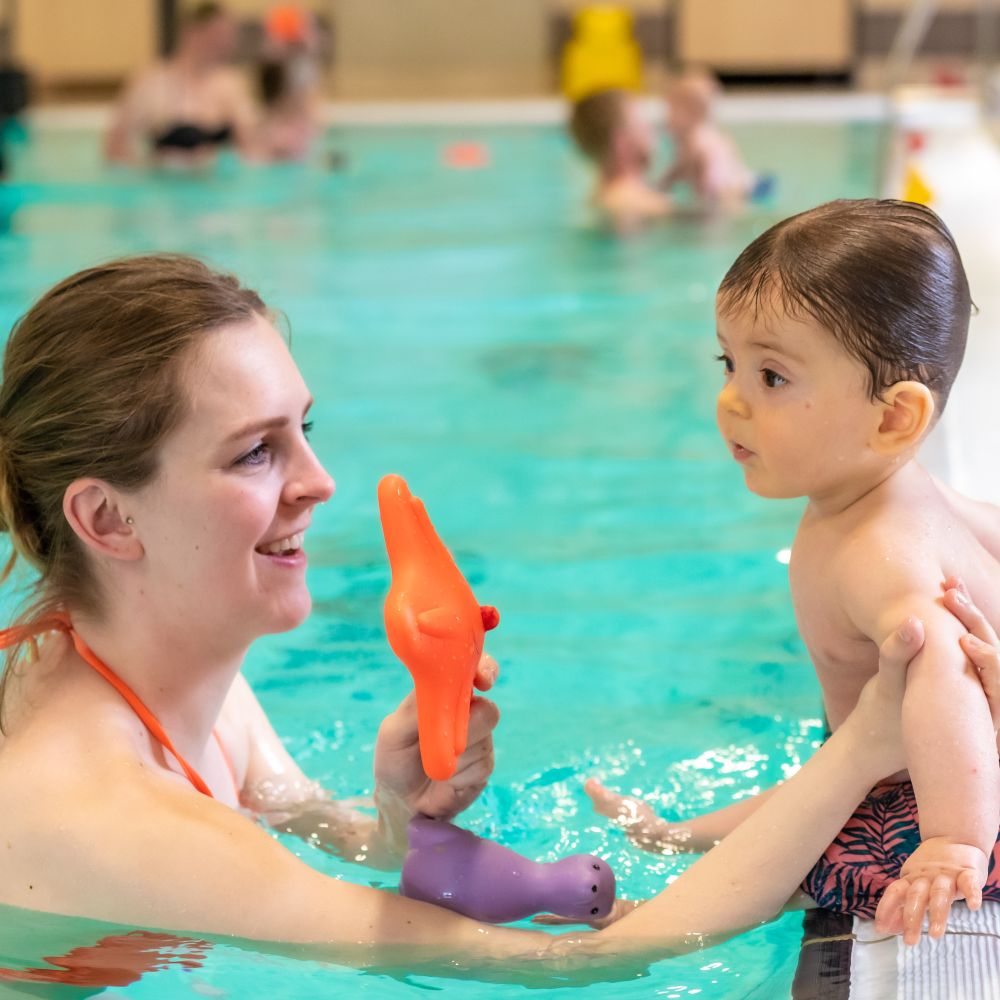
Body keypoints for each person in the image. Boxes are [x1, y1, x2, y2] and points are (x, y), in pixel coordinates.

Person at [0, 253, 992, 979]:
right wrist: (866, 744)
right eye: (253, 453)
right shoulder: (109, 813)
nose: (321, 480)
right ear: (105, 518)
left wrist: (397, 810)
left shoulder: (154, 663)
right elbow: (593, 962)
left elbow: (325, 849)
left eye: (304, 429)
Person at [589, 198, 998, 945]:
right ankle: (680, 835)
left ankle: (651, 916)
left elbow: (944, 669)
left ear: (892, 418)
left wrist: (954, 841)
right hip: (911, 765)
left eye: (771, 376)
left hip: (939, 792)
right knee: (817, 792)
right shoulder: (908, 498)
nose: (731, 398)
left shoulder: (880, 551)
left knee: (805, 855)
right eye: (730, 362)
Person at [104, 3, 257, 166]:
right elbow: (115, 149)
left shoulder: (231, 85)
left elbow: (251, 151)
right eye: (214, 35)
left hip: (216, 184)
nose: (224, 44)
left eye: (226, 37)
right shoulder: (151, 83)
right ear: (189, 32)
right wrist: (146, 169)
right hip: (163, 184)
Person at [567, 89, 670, 235]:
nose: (652, 131)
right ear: (621, 142)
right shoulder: (640, 204)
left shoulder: (597, 200)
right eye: (643, 124)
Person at [659, 70, 756, 212]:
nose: (666, 118)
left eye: (671, 110)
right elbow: (677, 171)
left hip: (728, 192)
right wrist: (662, 186)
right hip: (745, 184)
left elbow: (712, 182)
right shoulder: (716, 136)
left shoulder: (696, 141)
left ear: (690, 111)